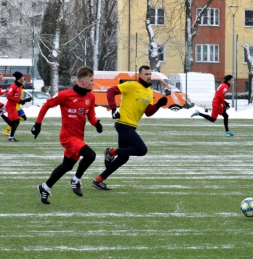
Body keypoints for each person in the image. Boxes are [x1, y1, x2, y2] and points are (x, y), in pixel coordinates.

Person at [31, 66, 103, 205]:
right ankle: (76, 180)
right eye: (91, 80)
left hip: (79, 137)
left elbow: (90, 114)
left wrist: (96, 123)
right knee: (90, 155)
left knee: (67, 165)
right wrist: (38, 124)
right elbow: (46, 105)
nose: (93, 83)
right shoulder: (65, 95)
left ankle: (45, 187)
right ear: (82, 82)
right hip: (68, 137)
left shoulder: (91, 96)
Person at [92, 65, 168, 190]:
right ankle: (111, 152)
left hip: (131, 127)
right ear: (140, 75)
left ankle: (99, 180)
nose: (149, 76)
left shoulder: (149, 92)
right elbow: (111, 91)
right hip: (123, 124)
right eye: (146, 74)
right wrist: (113, 108)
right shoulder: (131, 85)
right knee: (141, 150)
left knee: (123, 158)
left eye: (150, 74)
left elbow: (148, 112)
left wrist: (158, 105)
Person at [5, 71, 28, 142]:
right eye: (22, 77)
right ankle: (10, 136)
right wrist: (18, 101)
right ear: (19, 78)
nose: (23, 78)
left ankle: (11, 137)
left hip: (14, 106)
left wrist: (23, 101)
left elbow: (18, 98)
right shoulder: (13, 86)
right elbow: (8, 97)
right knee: (16, 121)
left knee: (16, 122)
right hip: (10, 106)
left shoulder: (20, 86)